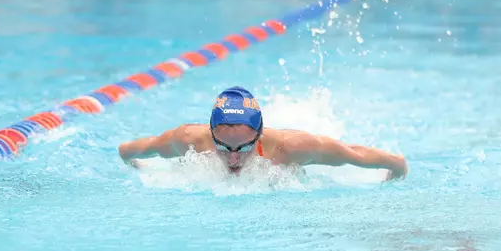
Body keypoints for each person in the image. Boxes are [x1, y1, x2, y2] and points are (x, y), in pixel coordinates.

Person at [118, 86, 408, 181]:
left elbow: (354, 155)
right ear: (211, 134)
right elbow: (129, 150)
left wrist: (396, 167)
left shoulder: (291, 148)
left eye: (243, 149)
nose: (233, 160)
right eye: (224, 147)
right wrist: (141, 169)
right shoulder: (188, 141)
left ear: (259, 135)